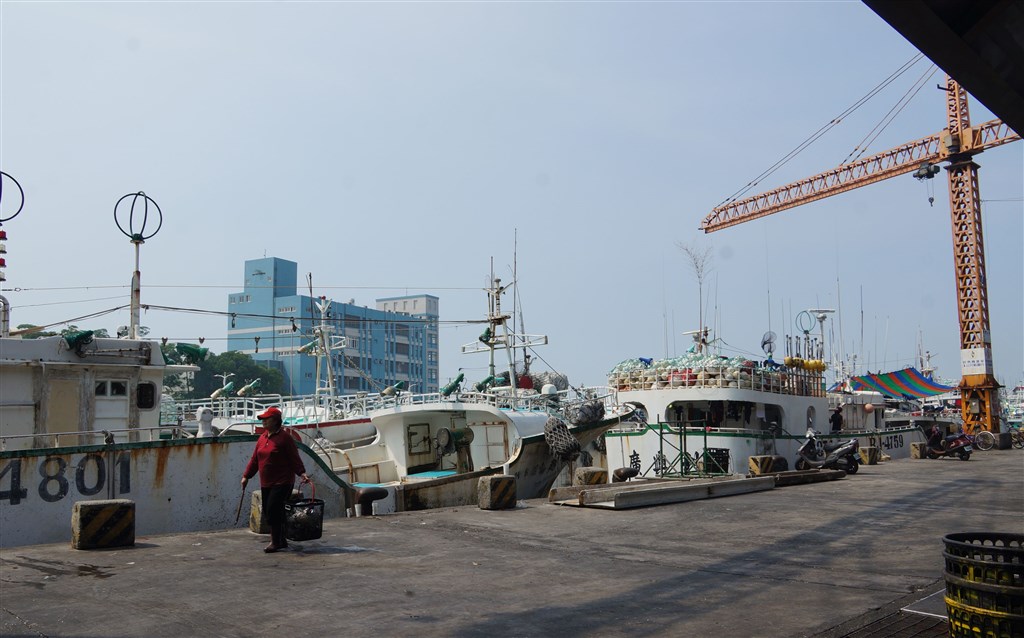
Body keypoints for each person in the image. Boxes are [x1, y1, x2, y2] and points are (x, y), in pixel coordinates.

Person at [241, 407, 309, 553]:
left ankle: (275, 542)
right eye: (263, 419)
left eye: (267, 419)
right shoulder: (263, 438)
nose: (264, 421)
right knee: (269, 510)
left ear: (276, 421)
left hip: (283, 481)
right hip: (266, 482)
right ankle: (282, 540)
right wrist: (246, 476)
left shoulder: (285, 438)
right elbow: (255, 460)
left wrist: (301, 473)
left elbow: (294, 458)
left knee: (273, 509)